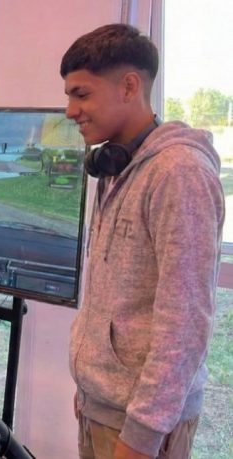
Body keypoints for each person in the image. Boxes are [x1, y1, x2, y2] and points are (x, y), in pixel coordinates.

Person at [62, 24, 224, 459]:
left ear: (129, 86)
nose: (70, 110)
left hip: (140, 426)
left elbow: (185, 323)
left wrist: (142, 434)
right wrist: (89, 388)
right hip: (103, 406)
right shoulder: (114, 166)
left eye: (81, 94)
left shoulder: (179, 174)